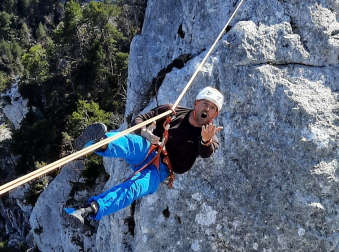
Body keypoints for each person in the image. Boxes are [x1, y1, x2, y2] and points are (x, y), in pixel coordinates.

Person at [65, 87, 224, 224]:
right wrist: (143, 132)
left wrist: (205, 140)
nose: (207, 109)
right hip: (150, 148)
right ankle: (97, 142)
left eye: (212, 108)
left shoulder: (209, 136)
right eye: (205, 103)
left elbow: (206, 152)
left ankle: (88, 210)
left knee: (134, 188)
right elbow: (139, 120)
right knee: (131, 143)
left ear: (214, 115)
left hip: (160, 170)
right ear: (196, 103)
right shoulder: (172, 111)